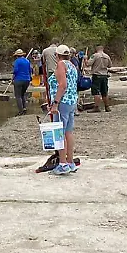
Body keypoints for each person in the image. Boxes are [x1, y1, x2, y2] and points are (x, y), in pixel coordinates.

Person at [47, 46, 79, 174]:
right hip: (72, 101)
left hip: (63, 102)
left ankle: (63, 164)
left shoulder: (61, 64)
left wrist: (55, 103)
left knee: (59, 133)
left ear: (57, 55)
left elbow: (63, 85)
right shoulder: (71, 65)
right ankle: (70, 162)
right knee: (68, 132)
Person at [89, 45, 112, 112]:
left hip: (97, 75)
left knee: (96, 92)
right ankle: (107, 107)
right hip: (104, 76)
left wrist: (85, 59)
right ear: (103, 49)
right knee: (104, 92)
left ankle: (96, 107)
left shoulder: (94, 55)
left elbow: (88, 63)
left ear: (96, 48)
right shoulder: (107, 56)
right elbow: (110, 66)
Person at [11, 49, 32, 115]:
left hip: (19, 80)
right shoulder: (27, 61)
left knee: (18, 96)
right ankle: (24, 108)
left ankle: (21, 111)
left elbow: (15, 70)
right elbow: (30, 70)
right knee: (22, 94)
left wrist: (12, 77)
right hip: (27, 80)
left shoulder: (16, 61)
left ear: (17, 56)